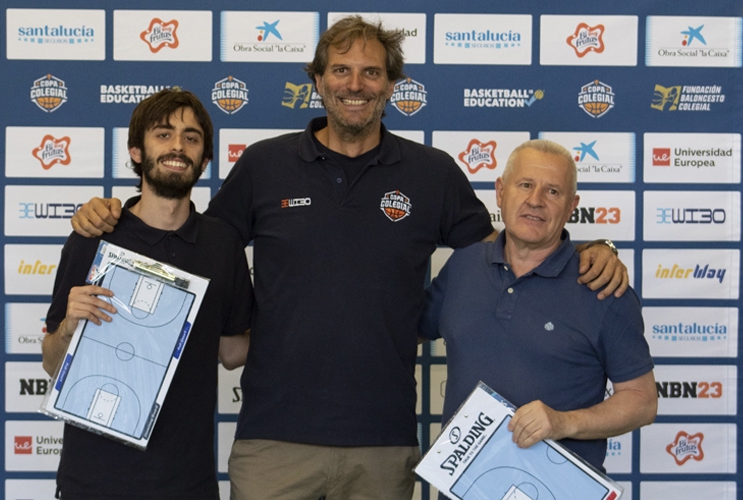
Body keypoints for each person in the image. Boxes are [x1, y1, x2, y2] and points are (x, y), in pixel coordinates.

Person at [70, 17, 627, 500]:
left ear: (391, 86)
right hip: (272, 437)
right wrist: (114, 216)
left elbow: (510, 252)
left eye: (371, 73)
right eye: (340, 70)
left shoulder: (431, 174)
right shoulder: (265, 165)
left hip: (382, 442)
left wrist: (590, 249)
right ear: (317, 81)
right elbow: (194, 243)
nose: (354, 84)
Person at [42, 89, 253, 500]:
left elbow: (231, 351)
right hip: (93, 482)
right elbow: (51, 363)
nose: (178, 146)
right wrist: (68, 327)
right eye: (163, 134)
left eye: (191, 138)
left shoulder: (222, 245)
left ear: (205, 160)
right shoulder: (93, 236)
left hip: (187, 482)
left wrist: (312, 309)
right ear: (137, 151)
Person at [419, 139, 657, 473]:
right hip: (465, 486)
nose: (535, 201)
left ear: (571, 205)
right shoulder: (462, 267)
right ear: (501, 191)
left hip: (559, 490)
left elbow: (642, 401)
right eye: (526, 185)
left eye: (553, 192)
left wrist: (562, 422)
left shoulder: (602, 287)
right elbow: (400, 332)